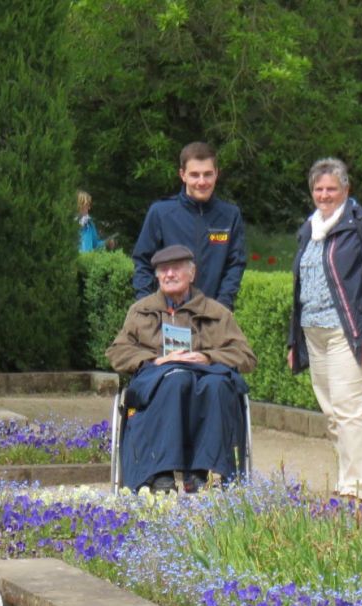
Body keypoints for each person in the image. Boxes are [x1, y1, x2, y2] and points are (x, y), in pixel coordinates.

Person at [286, 158, 362, 500]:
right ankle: (345, 482)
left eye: (331, 189)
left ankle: (354, 490)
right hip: (315, 332)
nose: (324, 195)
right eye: (319, 189)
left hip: (350, 332)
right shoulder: (310, 228)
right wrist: (294, 339)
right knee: (332, 413)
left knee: (351, 410)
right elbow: (300, 287)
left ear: (346, 190)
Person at [107, 244, 257, 493]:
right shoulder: (140, 311)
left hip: (206, 379)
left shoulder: (216, 313)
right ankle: (160, 472)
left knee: (218, 385)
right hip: (158, 379)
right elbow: (117, 353)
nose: (169, 274)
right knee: (175, 380)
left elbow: (246, 356)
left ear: (192, 274)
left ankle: (205, 471)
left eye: (176, 269)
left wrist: (208, 357)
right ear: (156, 276)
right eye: (163, 270)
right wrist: (155, 360)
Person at [131, 142, 247, 310]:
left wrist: (222, 307)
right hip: (167, 316)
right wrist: (148, 307)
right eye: (194, 175)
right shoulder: (161, 213)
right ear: (183, 175)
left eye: (208, 174)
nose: (202, 182)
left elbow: (235, 265)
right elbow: (142, 262)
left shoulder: (230, 216)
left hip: (212, 317)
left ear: (217, 174)